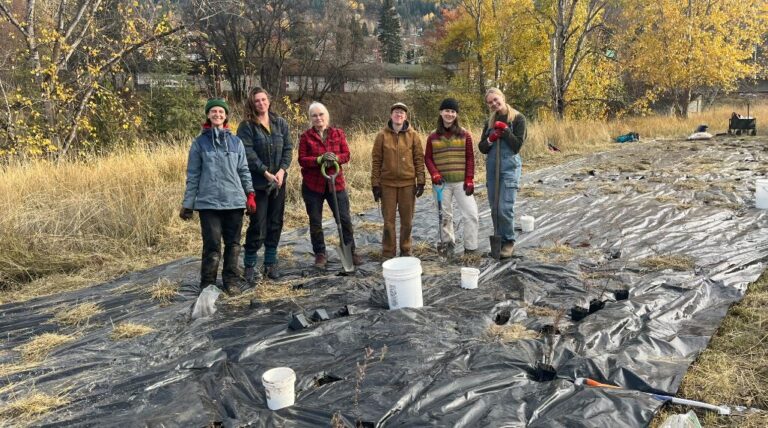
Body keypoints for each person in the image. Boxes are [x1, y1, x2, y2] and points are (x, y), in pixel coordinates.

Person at [180, 98, 257, 296]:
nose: (217, 115)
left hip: (234, 202)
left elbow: (244, 170)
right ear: (208, 115)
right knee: (212, 246)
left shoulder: (236, 142)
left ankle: (231, 280)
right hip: (209, 204)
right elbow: (193, 175)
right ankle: (208, 284)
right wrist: (188, 203)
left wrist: (250, 194)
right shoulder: (199, 144)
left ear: (225, 115)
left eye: (221, 112)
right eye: (213, 111)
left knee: (233, 244)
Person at [298, 102, 363, 269]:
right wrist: (319, 160)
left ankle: (350, 249)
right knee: (315, 221)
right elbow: (302, 160)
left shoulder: (337, 133)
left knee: (344, 219)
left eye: (321, 114)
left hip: (336, 183)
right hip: (313, 186)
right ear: (310, 118)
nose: (318, 118)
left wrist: (335, 158)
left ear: (326, 116)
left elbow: (346, 155)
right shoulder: (306, 137)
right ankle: (320, 253)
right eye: (314, 115)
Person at [237, 87, 293, 282]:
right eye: (256, 101)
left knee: (275, 222)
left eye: (263, 99)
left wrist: (281, 171)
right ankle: (250, 265)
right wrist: (266, 172)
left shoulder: (280, 123)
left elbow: (288, 148)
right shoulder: (246, 126)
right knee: (258, 225)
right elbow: (247, 153)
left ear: (269, 100)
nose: (261, 103)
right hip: (258, 184)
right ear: (252, 104)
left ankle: (270, 262)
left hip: (278, 182)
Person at [424, 97, 479, 256]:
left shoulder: (465, 135)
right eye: (447, 110)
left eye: (453, 111)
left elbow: (470, 158)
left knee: (471, 214)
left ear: (456, 114)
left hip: (461, 182)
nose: (450, 114)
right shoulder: (433, 136)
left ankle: (471, 248)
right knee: (445, 216)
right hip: (441, 184)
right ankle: (448, 245)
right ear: (441, 113)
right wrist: (434, 174)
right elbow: (427, 158)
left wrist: (469, 179)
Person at [371, 102, 426, 258]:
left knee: (407, 221)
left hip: (408, 184)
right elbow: (376, 160)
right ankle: (388, 252)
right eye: (396, 112)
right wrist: (375, 184)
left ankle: (406, 250)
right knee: (388, 222)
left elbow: (418, 159)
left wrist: (421, 181)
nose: (399, 114)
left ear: (406, 116)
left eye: (402, 112)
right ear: (391, 115)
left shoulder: (413, 135)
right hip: (387, 184)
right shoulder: (382, 136)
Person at [478, 88, 526, 259]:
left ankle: (509, 242)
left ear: (502, 97)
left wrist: (505, 131)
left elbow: (517, 146)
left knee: (504, 207)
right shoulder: (489, 122)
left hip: (509, 167)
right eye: (490, 102)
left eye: (495, 100)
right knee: (494, 207)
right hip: (492, 168)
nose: (493, 104)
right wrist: (491, 138)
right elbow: (482, 147)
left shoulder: (518, 119)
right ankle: (498, 239)